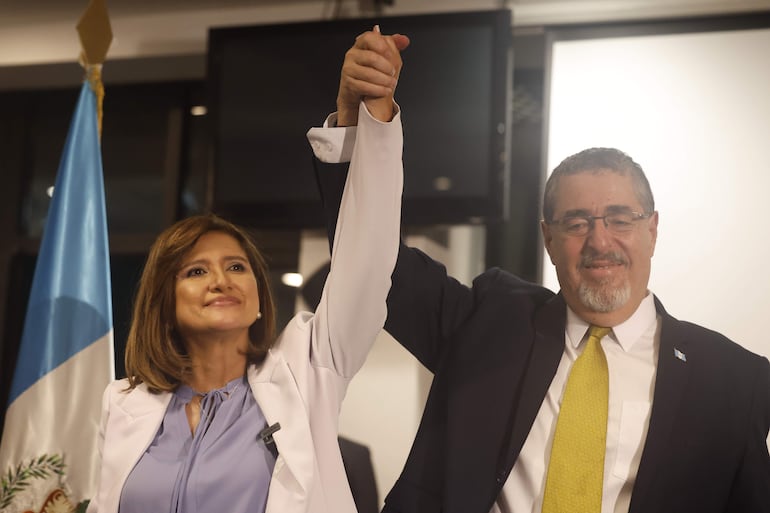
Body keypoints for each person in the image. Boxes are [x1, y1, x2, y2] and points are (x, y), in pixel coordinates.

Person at [315, 29, 770, 513]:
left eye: (619, 219)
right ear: (549, 239)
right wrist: (355, 126)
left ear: (652, 230)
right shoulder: (488, 320)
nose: (600, 242)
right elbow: (374, 265)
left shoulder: (734, 382)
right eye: (576, 223)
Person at [85, 28, 409, 513]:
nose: (220, 280)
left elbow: (365, 257)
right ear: (164, 302)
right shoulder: (121, 404)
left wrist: (363, 119)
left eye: (236, 266)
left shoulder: (307, 371)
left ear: (258, 296)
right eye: (195, 272)